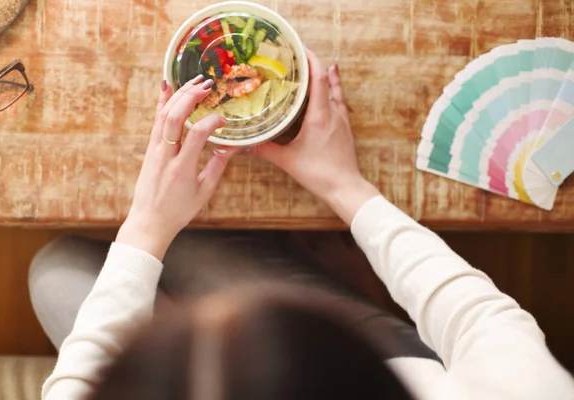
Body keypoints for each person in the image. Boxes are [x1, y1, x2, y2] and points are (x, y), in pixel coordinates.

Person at [29, 50, 574, 400]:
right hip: (389, 357)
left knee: (56, 268)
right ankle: (361, 295)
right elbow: (483, 321)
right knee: (180, 252)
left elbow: (77, 385)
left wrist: (146, 229)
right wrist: (343, 185)